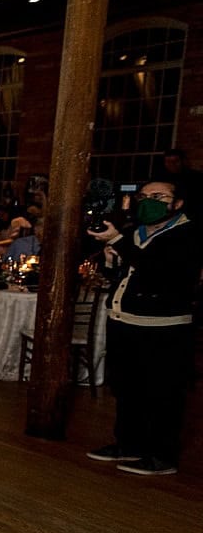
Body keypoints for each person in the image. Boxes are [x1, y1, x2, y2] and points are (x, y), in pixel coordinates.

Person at [85, 180, 201, 477]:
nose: (149, 201)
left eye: (159, 196)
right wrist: (111, 261)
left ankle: (162, 455)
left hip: (164, 329)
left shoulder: (187, 235)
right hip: (126, 323)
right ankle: (129, 445)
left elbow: (159, 273)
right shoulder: (135, 232)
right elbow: (128, 273)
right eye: (144, 196)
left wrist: (120, 243)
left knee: (162, 393)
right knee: (127, 389)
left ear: (177, 203)